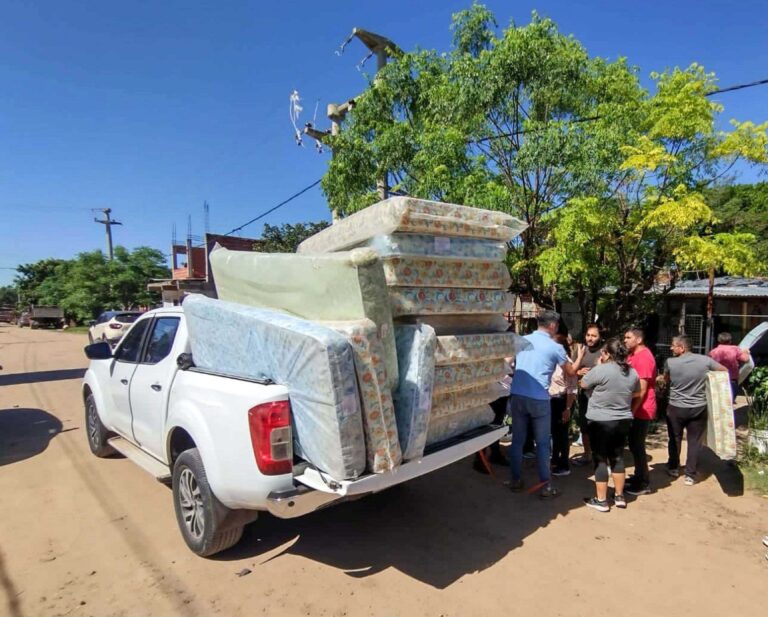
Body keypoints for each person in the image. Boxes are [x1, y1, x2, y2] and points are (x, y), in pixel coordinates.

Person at [508, 310, 585, 498]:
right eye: (557, 326)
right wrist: (580, 356)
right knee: (542, 444)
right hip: (539, 400)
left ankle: (515, 480)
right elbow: (571, 372)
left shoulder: (521, 340)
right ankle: (546, 486)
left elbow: (508, 363)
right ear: (552, 326)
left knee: (517, 441)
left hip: (517, 395)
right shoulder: (555, 348)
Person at [579, 338, 641, 512]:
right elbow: (637, 393)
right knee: (618, 457)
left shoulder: (601, 370)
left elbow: (583, 383)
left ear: (606, 354)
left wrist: (599, 367)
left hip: (600, 420)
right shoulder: (632, 372)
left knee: (600, 459)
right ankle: (619, 496)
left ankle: (601, 500)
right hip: (622, 420)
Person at [664, 335, 728, 485]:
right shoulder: (705, 361)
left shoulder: (670, 362)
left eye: (673, 345)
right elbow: (724, 370)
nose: (671, 348)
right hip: (698, 407)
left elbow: (666, 380)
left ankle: (673, 467)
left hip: (676, 407)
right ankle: (690, 475)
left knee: (675, 438)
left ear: (682, 348)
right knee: (694, 441)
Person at [624, 327, 658, 496]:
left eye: (628, 337)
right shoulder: (632, 355)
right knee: (633, 443)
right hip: (635, 407)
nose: (625, 340)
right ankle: (638, 476)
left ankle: (643, 483)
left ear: (638, 340)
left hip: (642, 408)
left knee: (637, 445)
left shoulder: (644, 357)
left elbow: (642, 390)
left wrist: (631, 411)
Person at [549, 323, 578, 476]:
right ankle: (554, 460)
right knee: (555, 432)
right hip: (552, 400)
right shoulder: (551, 360)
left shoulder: (567, 363)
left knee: (562, 434)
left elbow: (572, 388)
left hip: (563, 400)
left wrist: (567, 408)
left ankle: (564, 464)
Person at [573, 323, 603, 465]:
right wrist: (578, 372)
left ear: (600, 337)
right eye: (588, 335)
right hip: (584, 394)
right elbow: (571, 369)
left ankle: (600, 457)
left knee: (598, 426)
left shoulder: (604, 352)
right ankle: (587, 454)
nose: (590, 338)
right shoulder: (580, 350)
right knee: (584, 425)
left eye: (594, 335)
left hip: (599, 395)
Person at [708, 332, 750, 402]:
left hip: (718, 379)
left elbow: (710, 364)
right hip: (732, 379)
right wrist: (746, 352)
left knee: (719, 401)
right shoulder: (735, 349)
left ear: (719, 340)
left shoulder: (713, 352)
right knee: (730, 400)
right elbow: (745, 359)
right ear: (730, 341)